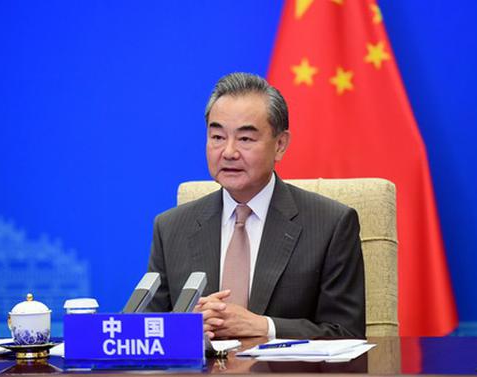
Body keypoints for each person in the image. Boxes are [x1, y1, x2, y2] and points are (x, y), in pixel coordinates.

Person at [147, 72, 365, 339]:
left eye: (245, 139)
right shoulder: (170, 228)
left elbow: (346, 333)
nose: (228, 152)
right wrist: (184, 329)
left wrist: (265, 327)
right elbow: (149, 328)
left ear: (280, 145)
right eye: (217, 137)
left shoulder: (330, 225)